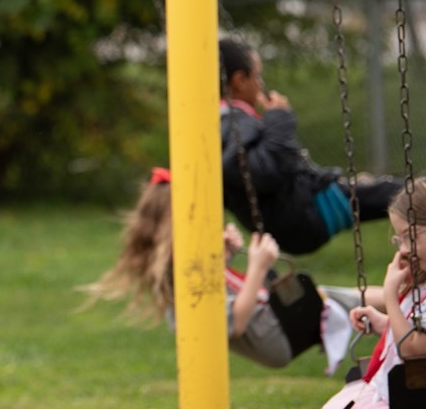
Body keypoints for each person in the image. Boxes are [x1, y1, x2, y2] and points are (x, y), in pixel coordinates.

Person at [83, 167, 360, 372]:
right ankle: (400, 310)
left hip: (269, 328)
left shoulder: (179, 265)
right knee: (351, 300)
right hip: (271, 334)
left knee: (353, 299)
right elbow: (236, 322)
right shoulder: (185, 277)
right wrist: (257, 266)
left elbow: (217, 294)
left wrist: (223, 257)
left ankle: (400, 306)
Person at [220, 37, 403, 254]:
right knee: (400, 194)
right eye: (257, 76)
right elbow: (267, 169)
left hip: (292, 215)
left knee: (385, 192)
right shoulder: (233, 120)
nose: (261, 84)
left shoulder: (219, 125)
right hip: (304, 215)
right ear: (239, 80)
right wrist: (279, 118)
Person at [321, 178, 426, 409]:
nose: (405, 249)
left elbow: (413, 349)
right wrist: (385, 324)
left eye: (412, 236)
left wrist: (390, 296)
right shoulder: (421, 286)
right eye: (400, 239)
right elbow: (413, 332)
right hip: (385, 390)